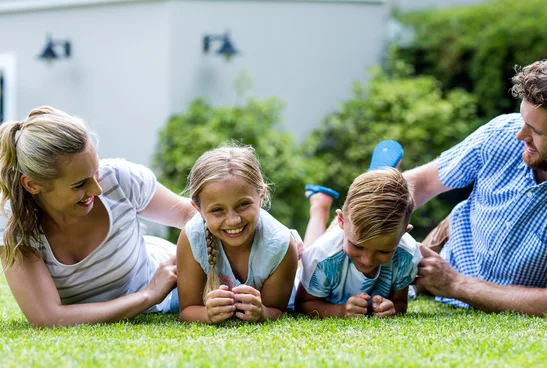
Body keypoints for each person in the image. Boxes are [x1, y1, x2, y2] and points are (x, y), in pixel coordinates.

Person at [409, 51, 547, 316]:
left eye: (536, 131)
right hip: (440, 262)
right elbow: (421, 184)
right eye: (523, 120)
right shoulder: (501, 133)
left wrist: (454, 284)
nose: (520, 135)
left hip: (463, 285)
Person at [0, 106, 197, 327]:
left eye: (95, 171)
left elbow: (191, 216)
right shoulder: (12, 221)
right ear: (33, 185)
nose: (97, 189)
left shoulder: (120, 178)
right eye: (80, 184)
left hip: (174, 289)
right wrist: (149, 295)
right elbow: (47, 317)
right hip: (156, 290)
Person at [176, 144, 298, 324]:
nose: (233, 220)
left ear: (261, 195)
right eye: (217, 210)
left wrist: (262, 312)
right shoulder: (192, 237)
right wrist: (205, 315)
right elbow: (187, 311)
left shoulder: (280, 245)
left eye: (243, 205)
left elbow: (277, 310)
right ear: (198, 209)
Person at [295, 168, 420, 318]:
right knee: (309, 252)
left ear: (405, 233)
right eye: (358, 246)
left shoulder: (406, 255)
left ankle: (321, 205)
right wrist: (341, 311)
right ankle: (319, 207)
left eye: (384, 251)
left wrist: (392, 308)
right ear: (341, 221)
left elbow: (400, 302)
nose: (367, 260)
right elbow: (303, 304)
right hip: (323, 254)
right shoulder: (321, 257)